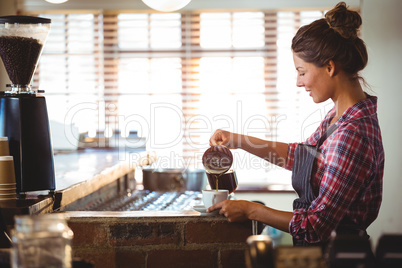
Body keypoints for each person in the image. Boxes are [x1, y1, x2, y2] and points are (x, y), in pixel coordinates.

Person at [206, 2, 384, 247]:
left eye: (301, 72)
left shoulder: (352, 133)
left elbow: (315, 226)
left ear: (330, 67)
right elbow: (300, 156)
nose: (299, 82)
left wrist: (251, 210)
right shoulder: (339, 118)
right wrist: (237, 140)